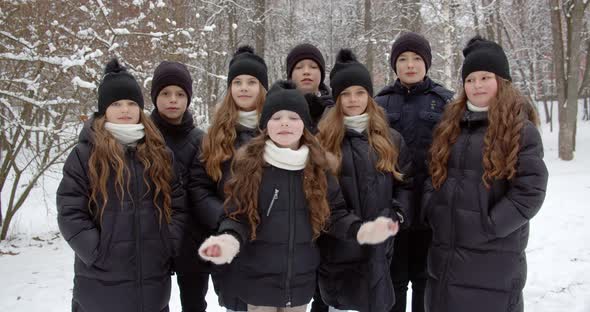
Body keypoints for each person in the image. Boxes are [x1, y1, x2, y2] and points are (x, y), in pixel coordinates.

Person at [198, 80, 400, 312]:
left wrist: (362, 230)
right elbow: (237, 216)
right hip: (258, 282)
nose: (285, 123)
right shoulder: (249, 167)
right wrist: (228, 241)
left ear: (304, 125)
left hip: (300, 284)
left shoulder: (318, 167)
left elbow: (333, 215)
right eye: (276, 118)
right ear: (265, 125)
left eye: (293, 118)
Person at [422, 36, 548, 312]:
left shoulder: (520, 129)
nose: (476, 85)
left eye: (484, 77)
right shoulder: (449, 125)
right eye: (470, 79)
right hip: (445, 251)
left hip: (493, 257)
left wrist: (490, 225)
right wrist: (433, 209)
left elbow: (530, 191)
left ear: (501, 81)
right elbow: (432, 173)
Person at [57, 58, 186, 312]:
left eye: (131, 103)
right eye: (116, 104)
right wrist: (95, 251)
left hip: (152, 284)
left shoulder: (160, 153)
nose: (125, 110)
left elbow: (178, 205)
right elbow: (70, 210)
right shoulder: (85, 154)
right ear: (104, 109)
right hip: (100, 284)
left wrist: (167, 244)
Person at [316, 49, 413, 312]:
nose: (353, 100)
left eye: (359, 92)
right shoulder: (321, 142)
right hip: (339, 252)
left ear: (369, 96)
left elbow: (406, 184)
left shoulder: (391, 139)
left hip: (380, 253)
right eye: (345, 94)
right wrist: (353, 227)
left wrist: (397, 214)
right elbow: (318, 198)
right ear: (336, 99)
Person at [374, 32, 453, 312]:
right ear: (394, 65)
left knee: (425, 280)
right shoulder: (380, 103)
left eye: (417, 59)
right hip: (394, 208)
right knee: (394, 279)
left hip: (432, 209)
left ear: (427, 63)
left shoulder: (445, 101)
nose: (410, 65)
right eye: (403, 59)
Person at [188, 45, 268, 312]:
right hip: (229, 240)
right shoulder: (214, 136)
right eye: (237, 82)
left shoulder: (279, 128)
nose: (244, 88)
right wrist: (225, 217)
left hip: (271, 242)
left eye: (251, 82)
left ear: (262, 88)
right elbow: (199, 187)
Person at [150, 60, 208, 312]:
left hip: (193, 241)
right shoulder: (143, 137)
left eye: (180, 94)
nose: (172, 100)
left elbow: (205, 188)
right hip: (153, 238)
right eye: (165, 93)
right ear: (155, 97)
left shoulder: (200, 140)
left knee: (194, 304)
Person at [286, 43, 333, 130]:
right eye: (299, 67)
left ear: (321, 74)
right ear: (290, 75)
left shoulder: (336, 110)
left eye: (313, 67)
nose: (306, 72)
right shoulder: (276, 110)